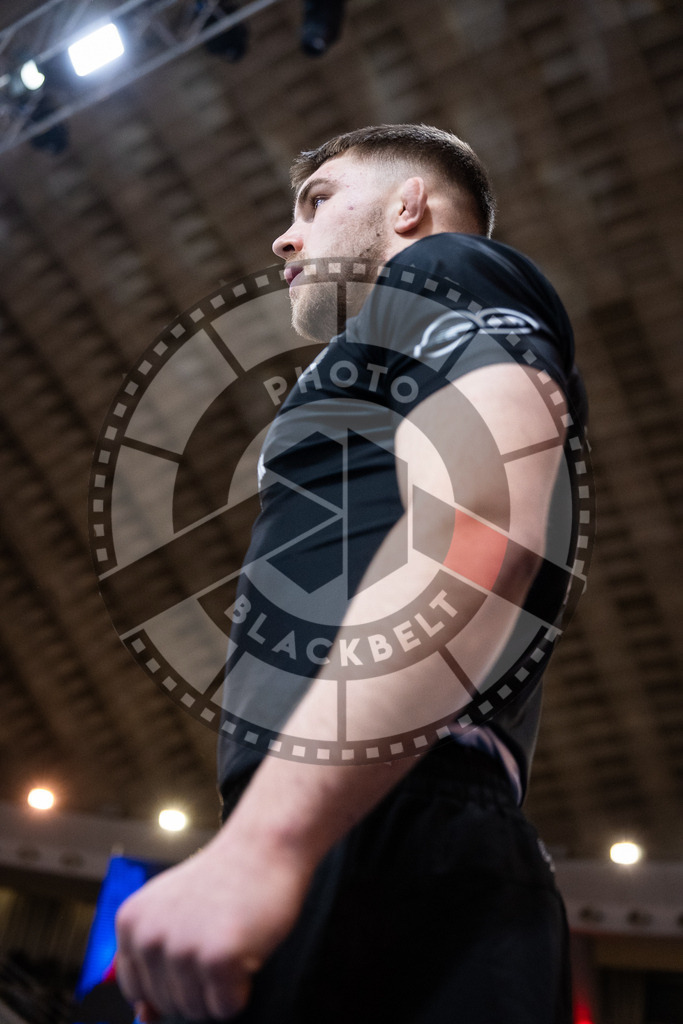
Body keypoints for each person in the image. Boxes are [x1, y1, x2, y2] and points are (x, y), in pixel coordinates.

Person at [115, 124, 587, 1024]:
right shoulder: (373, 347)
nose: (284, 238)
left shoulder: (443, 267)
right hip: (352, 819)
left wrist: (263, 850)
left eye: (317, 200)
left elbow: (481, 520)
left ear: (407, 205)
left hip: (392, 825)